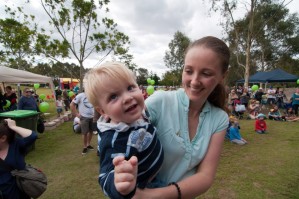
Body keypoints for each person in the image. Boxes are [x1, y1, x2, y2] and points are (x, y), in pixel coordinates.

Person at [114, 36, 230, 198]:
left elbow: (205, 176)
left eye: (206, 73)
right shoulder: (160, 102)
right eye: (189, 71)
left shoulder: (219, 119)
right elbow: (117, 133)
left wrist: (154, 196)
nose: (194, 81)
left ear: (222, 76)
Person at [84, 62, 164, 198]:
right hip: (143, 190)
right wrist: (118, 184)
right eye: (113, 96)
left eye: (130, 87)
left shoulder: (139, 113)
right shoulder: (114, 139)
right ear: (103, 111)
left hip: (157, 178)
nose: (127, 98)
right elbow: (104, 176)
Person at [0, 118, 38, 199]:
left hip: (21, 194)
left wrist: (13, 127)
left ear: (3, 138)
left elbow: (33, 136)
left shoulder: (16, 145)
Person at [70, 91, 95, 155]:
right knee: (84, 133)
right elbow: (72, 104)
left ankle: (88, 144)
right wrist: (76, 114)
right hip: (84, 117)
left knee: (91, 131)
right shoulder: (80, 95)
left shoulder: (93, 95)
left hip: (92, 117)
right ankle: (85, 147)